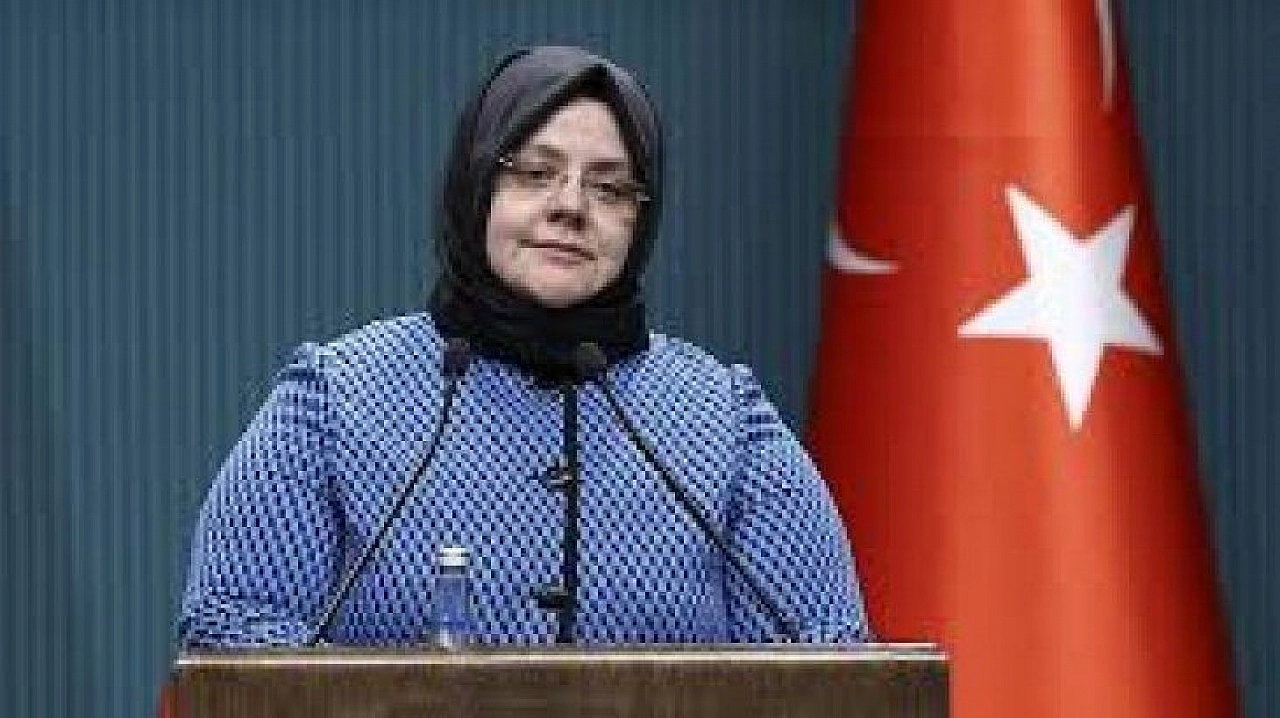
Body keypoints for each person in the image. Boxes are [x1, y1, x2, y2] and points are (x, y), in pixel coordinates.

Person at [178, 45, 870, 646]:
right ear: (476, 186)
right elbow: (232, 627)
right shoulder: (335, 400)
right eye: (535, 172)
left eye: (610, 187)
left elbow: (827, 658)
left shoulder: (724, 420)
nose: (570, 206)